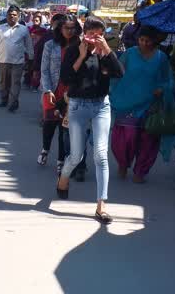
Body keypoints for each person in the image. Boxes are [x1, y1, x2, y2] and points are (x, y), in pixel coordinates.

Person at [56, 17, 124, 224]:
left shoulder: (105, 52)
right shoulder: (75, 49)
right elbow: (66, 78)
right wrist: (82, 55)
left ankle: (101, 205)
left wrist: (107, 52)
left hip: (101, 105)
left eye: (99, 34)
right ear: (83, 33)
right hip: (78, 105)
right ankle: (64, 177)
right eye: (91, 34)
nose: (95, 38)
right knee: (76, 155)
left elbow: (120, 73)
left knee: (101, 155)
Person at [109, 26, 174, 183]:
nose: (144, 43)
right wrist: (111, 90)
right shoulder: (130, 54)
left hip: (151, 104)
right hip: (127, 103)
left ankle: (141, 171)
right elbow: (117, 72)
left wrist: (162, 89)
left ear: (154, 41)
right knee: (126, 138)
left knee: (149, 140)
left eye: (147, 40)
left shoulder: (161, 58)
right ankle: (123, 164)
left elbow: (169, 80)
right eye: (141, 40)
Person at [39, 14, 82, 175]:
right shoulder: (50, 45)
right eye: (66, 28)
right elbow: (44, 69)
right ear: (60, 28)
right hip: (52, 90)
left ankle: (60, 161)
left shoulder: (80, 46)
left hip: (70, 92)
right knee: (49, 123)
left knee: (64, 128)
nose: (69, 31)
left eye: (73, 28)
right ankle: (45, 150)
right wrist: (48, 90)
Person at [0, 5, 33, 112]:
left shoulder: (24, 29)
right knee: (3, 83)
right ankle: (4, 99)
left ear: (18, 16)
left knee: (15, 83)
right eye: (10, 15)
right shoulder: (0, 28)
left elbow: (29, 45)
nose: (12, 17)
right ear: (7, 16)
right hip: (3, 60)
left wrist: (31, 58)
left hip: (18, 62)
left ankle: (14, 102)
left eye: (14, 15)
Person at [26, 13, 48, 89]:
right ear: (32, 20)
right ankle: (27, 82)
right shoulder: (29, 29)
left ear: (40, 21)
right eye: (34, 20)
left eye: (37, 20)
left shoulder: (44, 30)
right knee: (29, 67)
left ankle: (35, 84)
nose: (36, 22)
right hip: (30, 50)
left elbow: (45, 40)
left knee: (36, 69)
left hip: (39, 51)